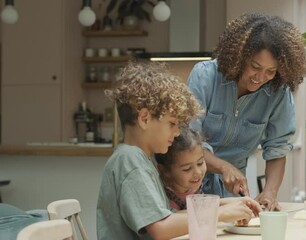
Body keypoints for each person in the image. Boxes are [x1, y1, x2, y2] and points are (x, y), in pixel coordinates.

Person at [96, 62, 261, 240]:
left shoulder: (140, 159)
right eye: (172, 124)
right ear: (144, 119)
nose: (176, 133)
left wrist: (226, 204)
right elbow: (161, 228)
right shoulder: (130, 162)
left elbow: (170, 215)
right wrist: (220, 214)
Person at [187, 12, 306, 211]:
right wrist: (223, 166)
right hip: (188, 185)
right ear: (240, 56)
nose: (260, 77)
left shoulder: (278, 92)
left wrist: (270, 192)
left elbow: (277, 148)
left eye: (271, 71)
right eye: (255, 66)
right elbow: (187, 141)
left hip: (233, 193)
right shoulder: (205, 76)